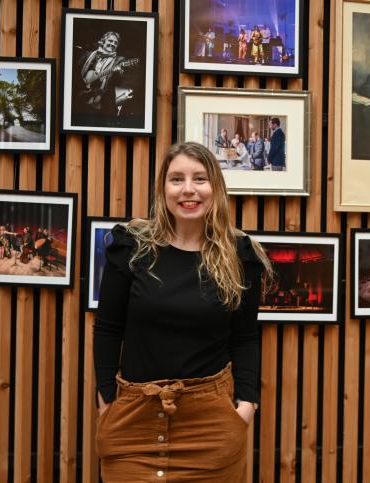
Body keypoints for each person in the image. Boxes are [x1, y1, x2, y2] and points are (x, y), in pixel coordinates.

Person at [93, 142, 273, 481]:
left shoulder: (240, 255)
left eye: (200, 178)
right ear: (163, 188)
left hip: (210, 422)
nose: (188, 189)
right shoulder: (131, 247)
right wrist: (106, 402)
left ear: (215, 188)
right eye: (177, 179)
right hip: (133, 419)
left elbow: (246, 337)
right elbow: (107, 330)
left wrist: (246, 407)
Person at [79, 31, 132, 115]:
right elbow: (76, 73)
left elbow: (119, 82)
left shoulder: (119, 60)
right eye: (110, 41)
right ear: (103, 41)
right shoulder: (88, 55)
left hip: (103, 103)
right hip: (81, 98)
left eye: (115, 43)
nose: (112, 44)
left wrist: (119, 72)